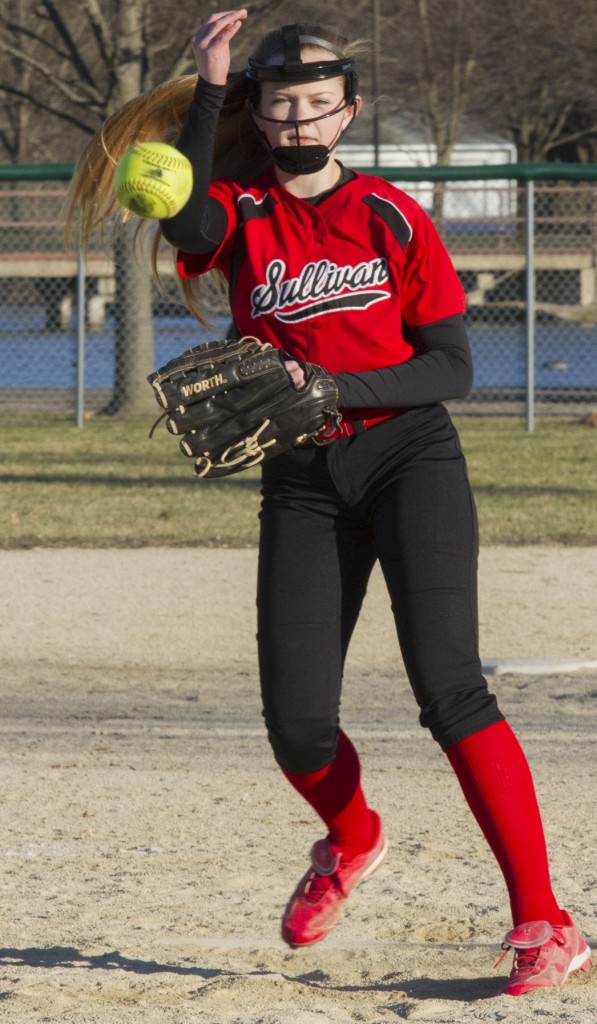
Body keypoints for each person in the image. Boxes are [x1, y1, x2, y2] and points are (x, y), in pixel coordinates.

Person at [66, 9, 591, 996]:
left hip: (409, 462)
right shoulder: (242, 215)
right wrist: (211, 79)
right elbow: (185, 221)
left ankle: (545, 922)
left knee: (452, 691)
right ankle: (352, 839)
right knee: (297, 724)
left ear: (348, 112)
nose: (300, 120)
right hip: (303, 480)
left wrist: (333, 389)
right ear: (261, 117)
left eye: (318, 104)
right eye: (282, 105)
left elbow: (452, 368)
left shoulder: (392, 217)